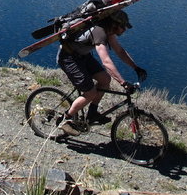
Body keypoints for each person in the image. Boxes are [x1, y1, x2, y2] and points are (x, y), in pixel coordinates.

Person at [56, 7, 147, 137]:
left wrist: (136, 67)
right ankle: (65, 120)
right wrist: (123, 82)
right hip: (69, 57)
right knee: (90, 92)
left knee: (105, 80)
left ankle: (92, 113)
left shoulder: (108, 31)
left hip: (83, 56)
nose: (124, 30)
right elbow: (106, 61)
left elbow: (120, 51)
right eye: (122, 26)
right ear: (114, 24)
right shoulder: (99, 32)